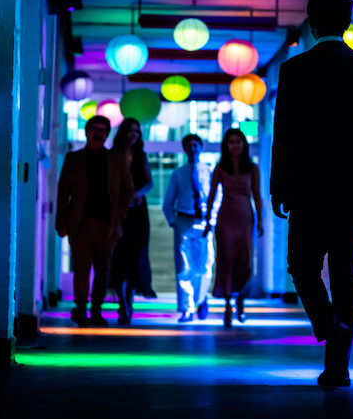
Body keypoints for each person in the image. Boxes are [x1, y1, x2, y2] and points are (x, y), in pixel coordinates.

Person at [270, 0, 353, 388]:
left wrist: (278, 187)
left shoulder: (294, 70)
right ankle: (338, 364)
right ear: (349, 22)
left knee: (302, 266)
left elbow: (284, 135)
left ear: (310, 23)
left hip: (307, 187)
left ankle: (328, 323)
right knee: (346, 268)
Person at [55, 115, 134, 327]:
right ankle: (81, 308)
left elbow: (128, 190)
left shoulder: (116, 159)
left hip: (108, 225)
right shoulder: (73, 158)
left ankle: (97, 311)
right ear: (87, 131)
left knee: (103, 268)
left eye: (103, 129)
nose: (98, 133)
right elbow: (63, 192)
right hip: (79, 223)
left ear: (107, 134)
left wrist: (119, 215)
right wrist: (61, 222)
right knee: (81, 266)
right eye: (94, 128)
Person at [204, 129, 264, 328]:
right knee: (226, 262)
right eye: (231, 142)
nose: (235, 145)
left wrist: (261, 222)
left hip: (246, 219)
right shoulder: (221, 167)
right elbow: (212, 195)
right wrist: (207, 220)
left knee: (245, 263)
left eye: (238, 142)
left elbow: (257, 195)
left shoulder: (252, 168)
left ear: (244, 144)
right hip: (226, 219)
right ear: (226, 145)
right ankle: (228, 304)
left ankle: (241, 300)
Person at [162, 134, 215, 323]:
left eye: (195, 145)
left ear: (200, 148)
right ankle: (187, 308)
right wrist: (172, 221)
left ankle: (201, 299)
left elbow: (216, 197)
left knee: (204, 266)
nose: (192, 149)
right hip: (183, 221)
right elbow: (167, 201)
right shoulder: (179, 173)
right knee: (184, 267)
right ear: (184, 149)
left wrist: (212, 220)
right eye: (189, 146)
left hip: (204, 222)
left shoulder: (209, 170)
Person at [108, 118, 154, 325]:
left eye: (137, 130)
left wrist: (137, 193)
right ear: (123, 132)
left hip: (137, 210)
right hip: (119, 210)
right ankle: (121, 303)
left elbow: (149, 183)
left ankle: (129, 300)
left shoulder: (141, 156)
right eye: (130, 130)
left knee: (136, 256)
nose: (133, 133)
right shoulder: (113, 155)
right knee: (120, 256)